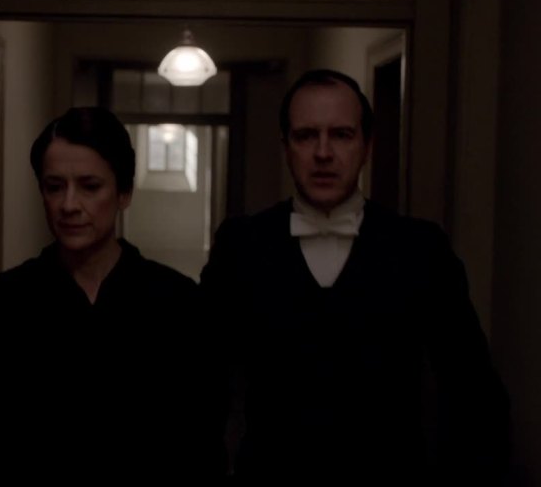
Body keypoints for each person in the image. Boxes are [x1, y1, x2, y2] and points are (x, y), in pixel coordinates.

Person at [200, 69, 509, 485]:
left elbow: (473, 391)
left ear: (367, 145)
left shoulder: (420, 249)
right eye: (306, 135)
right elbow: (202, 383)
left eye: (341, 135)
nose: (323, 152)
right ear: (285, 147)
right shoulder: (241, 246)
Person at [0, 107, 217, 484]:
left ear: (124, 192)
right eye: (54, 187)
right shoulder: (3, 302)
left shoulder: (177, 302)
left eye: (90, 187)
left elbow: (199, 445)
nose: (69, 205)